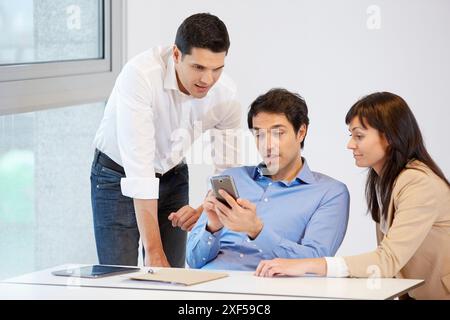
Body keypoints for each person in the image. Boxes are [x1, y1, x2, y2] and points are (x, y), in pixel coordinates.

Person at [255, 92, 450, 300]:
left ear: (390, 137)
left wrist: (306, 264)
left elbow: (388, 259)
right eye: (351, 135)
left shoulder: (418, 183)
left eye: (359, 136)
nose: (350, 145)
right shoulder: (386, 180)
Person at [90, 13, 242, 268]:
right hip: (117, 175)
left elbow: (226, 170)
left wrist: (203, 208)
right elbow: (140, 169)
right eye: (198, 67)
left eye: (217, 69)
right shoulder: (140, 75)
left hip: (173, 174)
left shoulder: (225, 95)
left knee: (172, 278)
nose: (207, 80)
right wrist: (153, 250)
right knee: (118, 278)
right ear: (176, 55)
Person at [186, 88, 349, 270]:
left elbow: (315, 263)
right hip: (207, 287)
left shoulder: (330, 193)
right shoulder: (232, 178)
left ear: (301, 132)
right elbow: (193, 261)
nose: (267, 145)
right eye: (259, 134)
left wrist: (256, 230)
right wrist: (212, 227)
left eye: (278, 133)